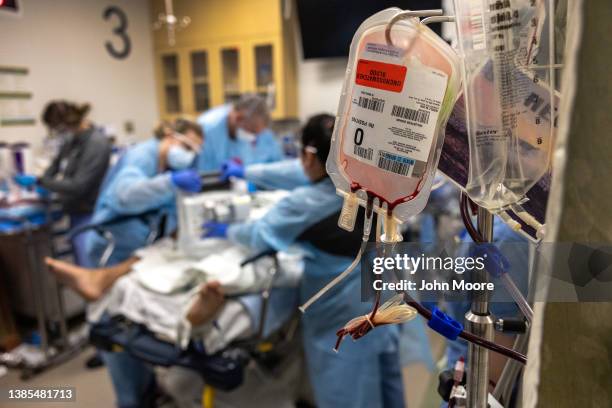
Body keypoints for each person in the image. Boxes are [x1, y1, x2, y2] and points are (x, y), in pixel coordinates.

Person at [202, 114, 404, 408]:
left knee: (345, 389)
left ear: (310, 156)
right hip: (381, 287)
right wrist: (248, 172)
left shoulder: (306, 203)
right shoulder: (363, 178)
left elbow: (260, 234)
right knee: (383, 377)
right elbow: (297, 173)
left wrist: (228, 230)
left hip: (341, 305)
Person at [84, 119, 203, 267]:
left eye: (193, 152)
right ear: (169, 136)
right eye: (186, 147)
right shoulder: (141, 156)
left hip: (141, 246)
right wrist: (168, 183)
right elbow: (125, 197)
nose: (188, 155)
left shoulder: (170, 167)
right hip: (112, 244)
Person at [14, 100, 111, 265]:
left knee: (89, 266)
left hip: (91, 213)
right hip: (75, 211)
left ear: (66, 124)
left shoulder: (96, 143)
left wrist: (41, 181)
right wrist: (40, 181)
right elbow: (55, 166)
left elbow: (79, 186)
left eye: (56, 129)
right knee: (80, 262)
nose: (56, 134)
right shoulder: (72, 139)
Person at [196, 94, 284, 172]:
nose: (253, 137)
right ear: (238, 118)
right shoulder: (207, 128)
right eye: (252, 131)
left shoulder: (240, 130)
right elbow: (203, 172)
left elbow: (247, 164)